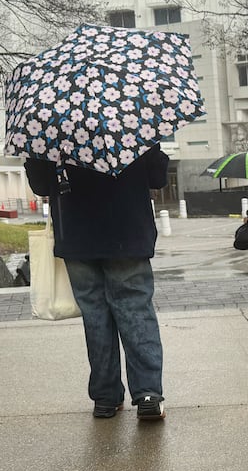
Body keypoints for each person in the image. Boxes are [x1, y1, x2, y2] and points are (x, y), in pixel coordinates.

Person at [24, 146, 169, 421]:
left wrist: (36, 157)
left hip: (77, 234)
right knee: (135, 311)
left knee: (96, 317)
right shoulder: (132, 120)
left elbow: (42, 185)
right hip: (128, 232)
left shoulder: (50, 126)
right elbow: (157, 177)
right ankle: (148, 393)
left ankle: (105, 397)